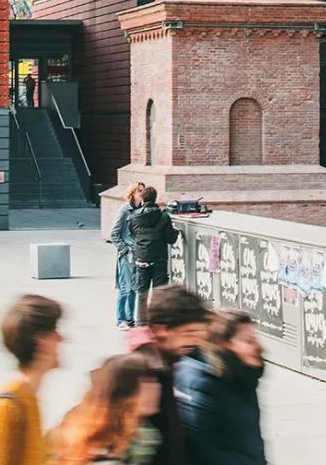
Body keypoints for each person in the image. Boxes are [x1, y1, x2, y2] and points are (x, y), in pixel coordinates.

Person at [0, 294, 63, 465]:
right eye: (55, 331)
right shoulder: (5, 409)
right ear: (40, 341)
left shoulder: (29, 399)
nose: (61, 339)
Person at [125, 284, 209, 465]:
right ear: (161, 329)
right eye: (189, 332)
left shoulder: (165, 364)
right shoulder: (148, 375)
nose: (195, 341)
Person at [175, 310, 266, 465]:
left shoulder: (244, 378)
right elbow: (204, 451)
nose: (258, 346)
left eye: (255, 339)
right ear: (226, 344)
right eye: (248, 341)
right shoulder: (207, 385)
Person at [48, 354, 161, 465]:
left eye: (154, 381)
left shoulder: (145, 435)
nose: (156, 389)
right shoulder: (101, 442)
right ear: (123, 394)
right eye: (146, 382)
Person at [128, 187, 179, 326]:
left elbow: (132, 233)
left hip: (141, 258)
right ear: (155, 198)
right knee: (159, 291)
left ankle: (141, 322)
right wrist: (176, 233)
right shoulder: (163, 216)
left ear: (142, 198)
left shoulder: (134, 216)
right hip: (159, 258)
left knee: (141, 292)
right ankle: (157, 321)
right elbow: (171, 239)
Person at [110, 182, 145, 330]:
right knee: (125, 288)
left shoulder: (142, 210)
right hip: (127, 255)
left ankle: (130, 319)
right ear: (133, 193)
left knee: (134, 288)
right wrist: (124, 249)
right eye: (139, 191)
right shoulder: (125, 211)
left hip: (138, 254)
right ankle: (121, 319)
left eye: (143, 191)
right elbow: (114, 233)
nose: (142, 194)